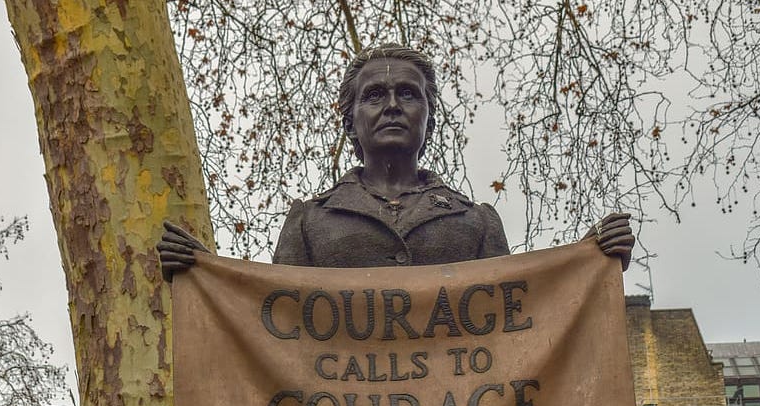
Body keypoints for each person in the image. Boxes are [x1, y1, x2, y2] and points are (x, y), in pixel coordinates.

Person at [158, 44, 633, 278]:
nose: (391, 105)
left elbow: (521, 322)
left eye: (407, 94)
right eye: (374, 96)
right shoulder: (308, 223)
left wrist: (588, 264)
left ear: (429, 117)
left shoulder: (477, 223)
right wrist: (204, 275)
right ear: (350, 121)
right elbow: (272, 323)